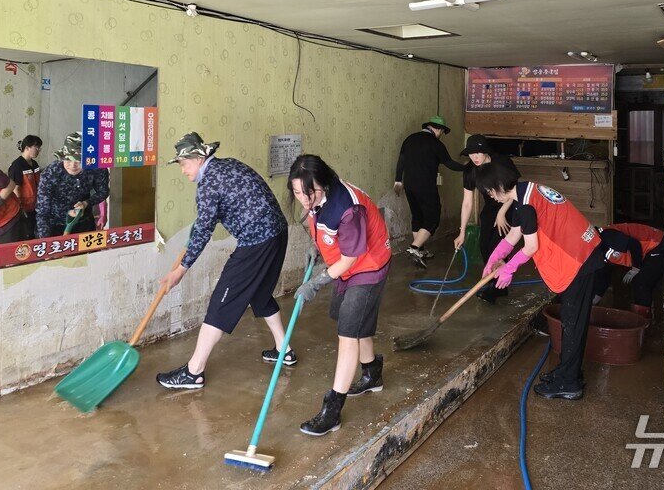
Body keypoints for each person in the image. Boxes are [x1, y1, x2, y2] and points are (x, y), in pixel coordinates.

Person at [156, 132, 292, 390]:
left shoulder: (208, 184)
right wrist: (192, 239)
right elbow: (204, 222)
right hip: (277, 232)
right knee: (260, 295)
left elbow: (205, 230)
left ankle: (193, 372)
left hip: (256, 241)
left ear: (197, 159)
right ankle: (284, 349)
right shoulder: (228, 165)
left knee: (221, 301)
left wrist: (179, 272)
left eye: (184, 164)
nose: (183, 171)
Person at [475, 161, 605, 400]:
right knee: (571, 319)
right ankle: (568, 372)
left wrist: (509, 269)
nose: (491, 196)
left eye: (490, 190)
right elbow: (514, 235)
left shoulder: (525, 206)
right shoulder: (527, 192)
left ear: (500, 185)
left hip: (580, 259)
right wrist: (493, 261)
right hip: (583, 250)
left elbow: (531, 246)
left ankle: (569, 383)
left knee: (572, 322)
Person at [289, 154, 392, 436]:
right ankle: (372, 373)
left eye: (307, 193)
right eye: (296, 192)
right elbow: (321, 225)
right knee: (354, 324)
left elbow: (351, 257)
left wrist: (317, 281)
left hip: (368, 265)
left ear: (323, 184)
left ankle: (332, 409)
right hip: (346, 265)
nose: (302, 199)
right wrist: (317, 247)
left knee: (347, 334)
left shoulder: (348, 208)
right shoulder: (317, 196)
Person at [394, 114, 465, 268]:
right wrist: (469, 168)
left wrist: (398, 180)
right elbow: (450, 164)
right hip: (425, 185)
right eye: (442, 132)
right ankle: (413, 248)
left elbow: (401, 161)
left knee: (418, 216)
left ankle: (420, 249)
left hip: (409, 185)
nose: (441, 136)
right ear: (438, 129)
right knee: (433, 217)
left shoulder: (410, 139)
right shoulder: (435, 144)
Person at [454, 135, 517, 304]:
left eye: (478, 153)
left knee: (498, 246)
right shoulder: (470, 170)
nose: (474, 158)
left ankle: (495, 288)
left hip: (509, 206)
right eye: (471, 154)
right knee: (484, 246)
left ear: (486, 152)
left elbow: (514, 191)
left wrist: (502, 212)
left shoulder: (501, 163)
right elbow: (467, 203)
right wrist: (462, 232)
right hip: (490, 208)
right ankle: (494, 283)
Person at [35, 132, 109, 237]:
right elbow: (43, 211)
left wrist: (86, 203)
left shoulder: (97, 168)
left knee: (89, 253)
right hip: (54, 225)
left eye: (79, 160)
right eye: (68, 159)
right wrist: (45, 242)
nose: (73, 165)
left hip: (84, 223)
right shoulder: (51, 172)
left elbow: (103, 192)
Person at [591, 223, 664, 319]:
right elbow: (604, 277)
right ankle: (642, 319)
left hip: (657, 243)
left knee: (641, 282)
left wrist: (635, 268)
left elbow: (634, 244)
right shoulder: (599, 249)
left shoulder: (607, 236)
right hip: (647, 251)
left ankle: (643, 322)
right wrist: (594, 301)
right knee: (639, 281)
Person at [8, 135, 42, 240]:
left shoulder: (34, 163)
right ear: (27, 148)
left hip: (36, 205)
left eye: (39, 148)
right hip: (24, 208)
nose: (38, 150)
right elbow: (15, 188)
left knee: (35, 231)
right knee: (27, 233)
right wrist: (20, 207)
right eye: (36, 147)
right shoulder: (17, 165)